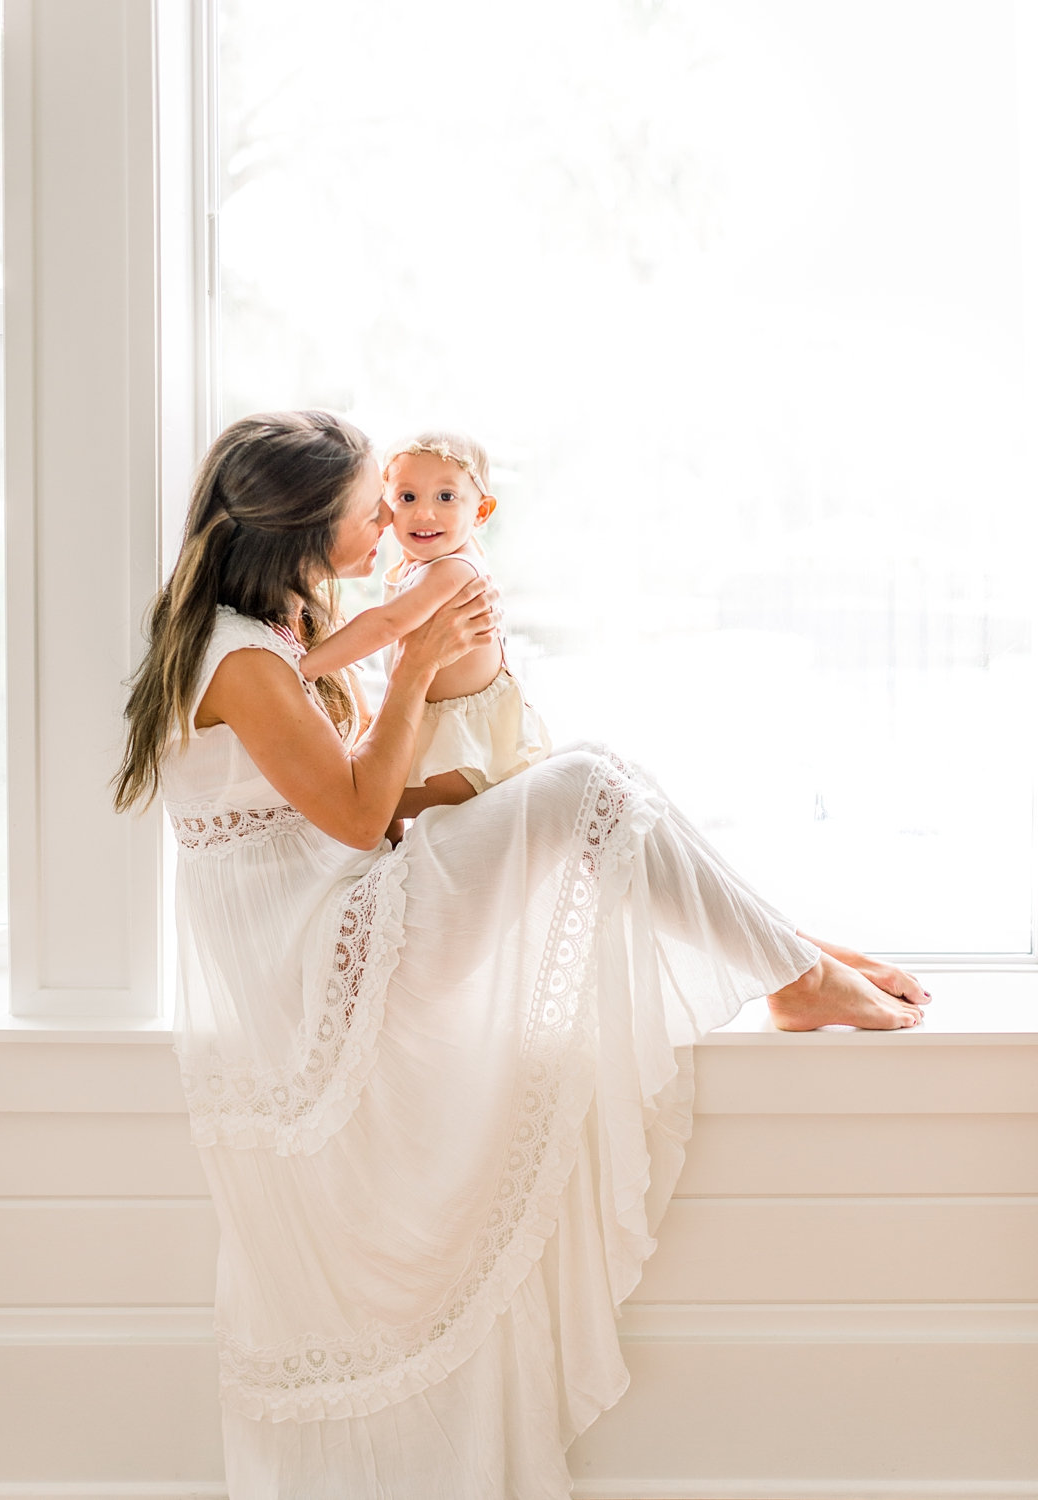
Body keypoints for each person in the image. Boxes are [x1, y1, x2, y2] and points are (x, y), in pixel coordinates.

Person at [114, 410, 928, 1500]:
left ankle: (792, 958)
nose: (387, 531)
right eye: (369, 510)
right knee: (589, 786)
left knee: (592, 783)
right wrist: (416, 667)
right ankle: (795, 971)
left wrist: (451, 782)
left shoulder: (272, 635)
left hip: (332, 916)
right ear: (304, 521)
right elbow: (352, 822)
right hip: (313, 975)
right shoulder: (239, 654)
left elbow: (326, 810)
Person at [291, 430, 550, 814]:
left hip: (466, 734)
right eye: (407, 497)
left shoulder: (455, 568)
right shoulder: (419, 565)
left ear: (480, 512)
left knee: (388, 802)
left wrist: (304, 668)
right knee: (382, 794)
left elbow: (386, 624)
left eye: (446, 497)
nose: (424, 513)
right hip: (432, 720)